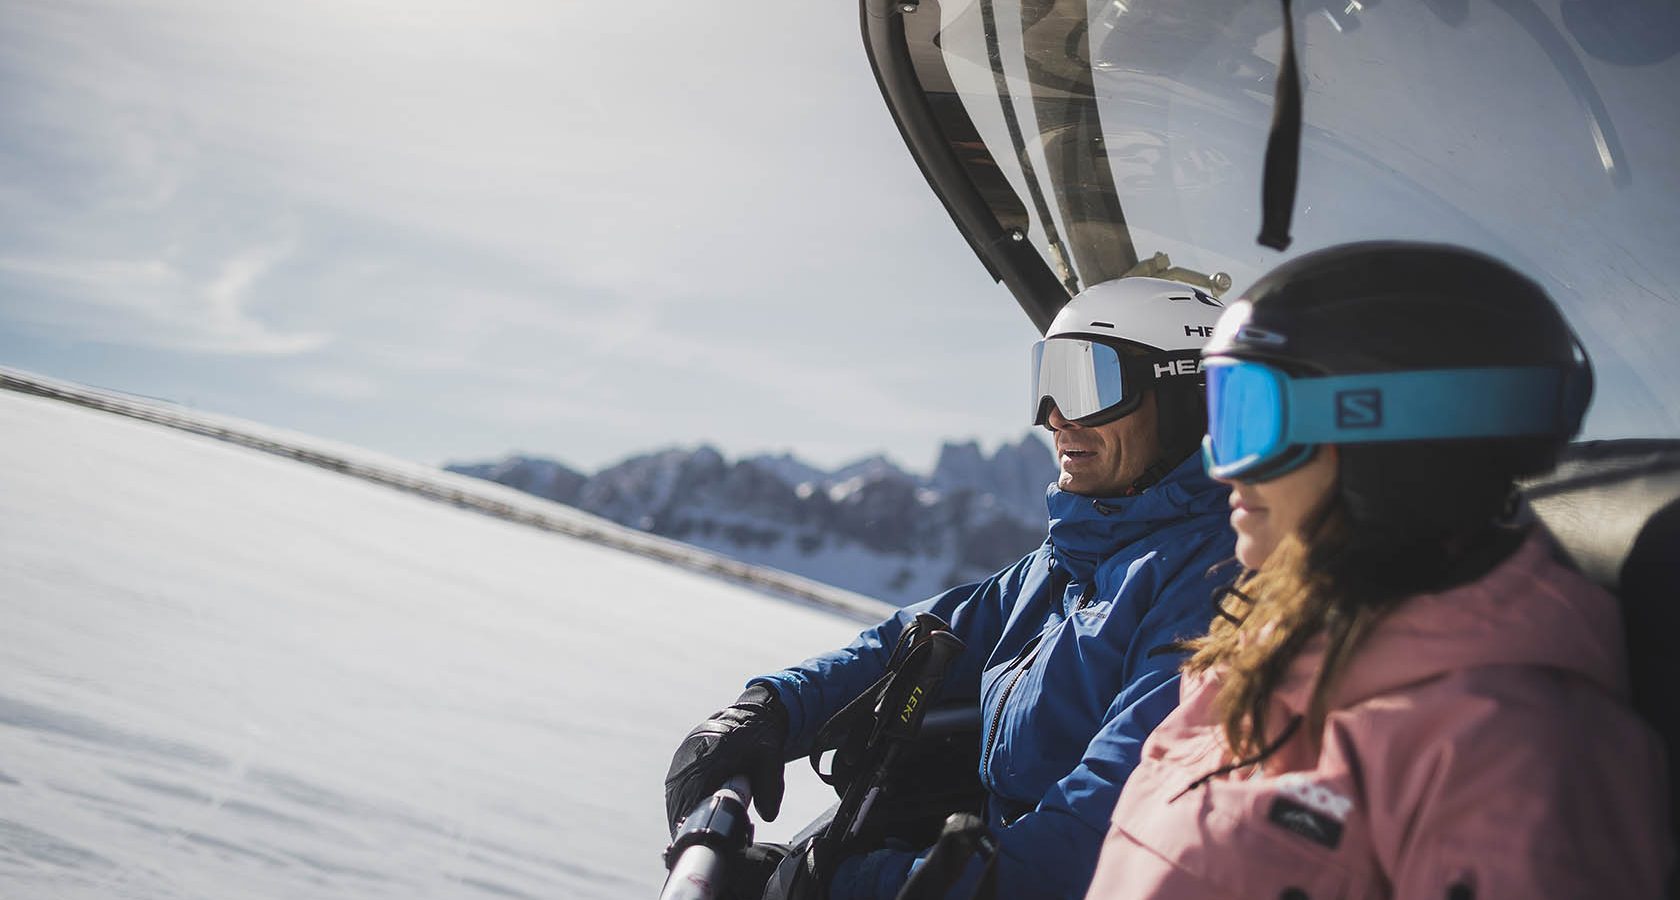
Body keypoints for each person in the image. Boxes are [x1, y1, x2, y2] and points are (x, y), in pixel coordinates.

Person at [1085, 242, 1674, 898]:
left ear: (1384, 434)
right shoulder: (1257, 646)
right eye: (1220, 416)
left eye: (1253, 416)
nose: (1224, 465)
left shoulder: (1510, 757)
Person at [665, 277, 1238, 900]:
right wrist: (773, 707)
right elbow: (920, 638)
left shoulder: (1212, 586)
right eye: (1048, 380)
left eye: (1088, 381)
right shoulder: (1075, 556)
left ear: (1188, 399)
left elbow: (1103, 830)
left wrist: (851, 883)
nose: (1053, 415)